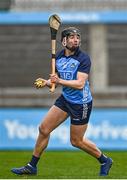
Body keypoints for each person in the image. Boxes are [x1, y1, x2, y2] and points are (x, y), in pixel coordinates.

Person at [11, 27, 113, 176]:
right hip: (65, 99)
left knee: (76, 141)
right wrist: (46, 82)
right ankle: (31, 166)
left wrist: (59, 80)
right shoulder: (58, 57)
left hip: (81, 103)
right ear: (64, 41)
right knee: (44, 129)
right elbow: (56, 81)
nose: (76, 39)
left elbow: (79, 84)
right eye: (72, 37)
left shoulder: (83, 58)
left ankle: (105, 160)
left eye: (77, 37)